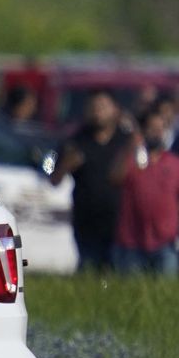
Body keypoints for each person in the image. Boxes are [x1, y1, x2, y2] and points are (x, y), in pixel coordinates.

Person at [111, 107, 179, 275]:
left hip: (166, 243)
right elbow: (115, 179)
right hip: (133, 243)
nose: (157, 134)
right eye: (152, 129)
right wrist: (129, 149)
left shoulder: (175, 163)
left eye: (161, 129)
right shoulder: (131, 160)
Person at [51, 90, 129, 271]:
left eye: (102, 107)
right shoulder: (75, 140)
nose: (97, 112)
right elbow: (51, 174)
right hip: (86, 219)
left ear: (115, 110)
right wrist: (65, 165)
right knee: (89, 268)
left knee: (118, 271)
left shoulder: (126, 141)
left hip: (120, 220)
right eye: (93, 107)